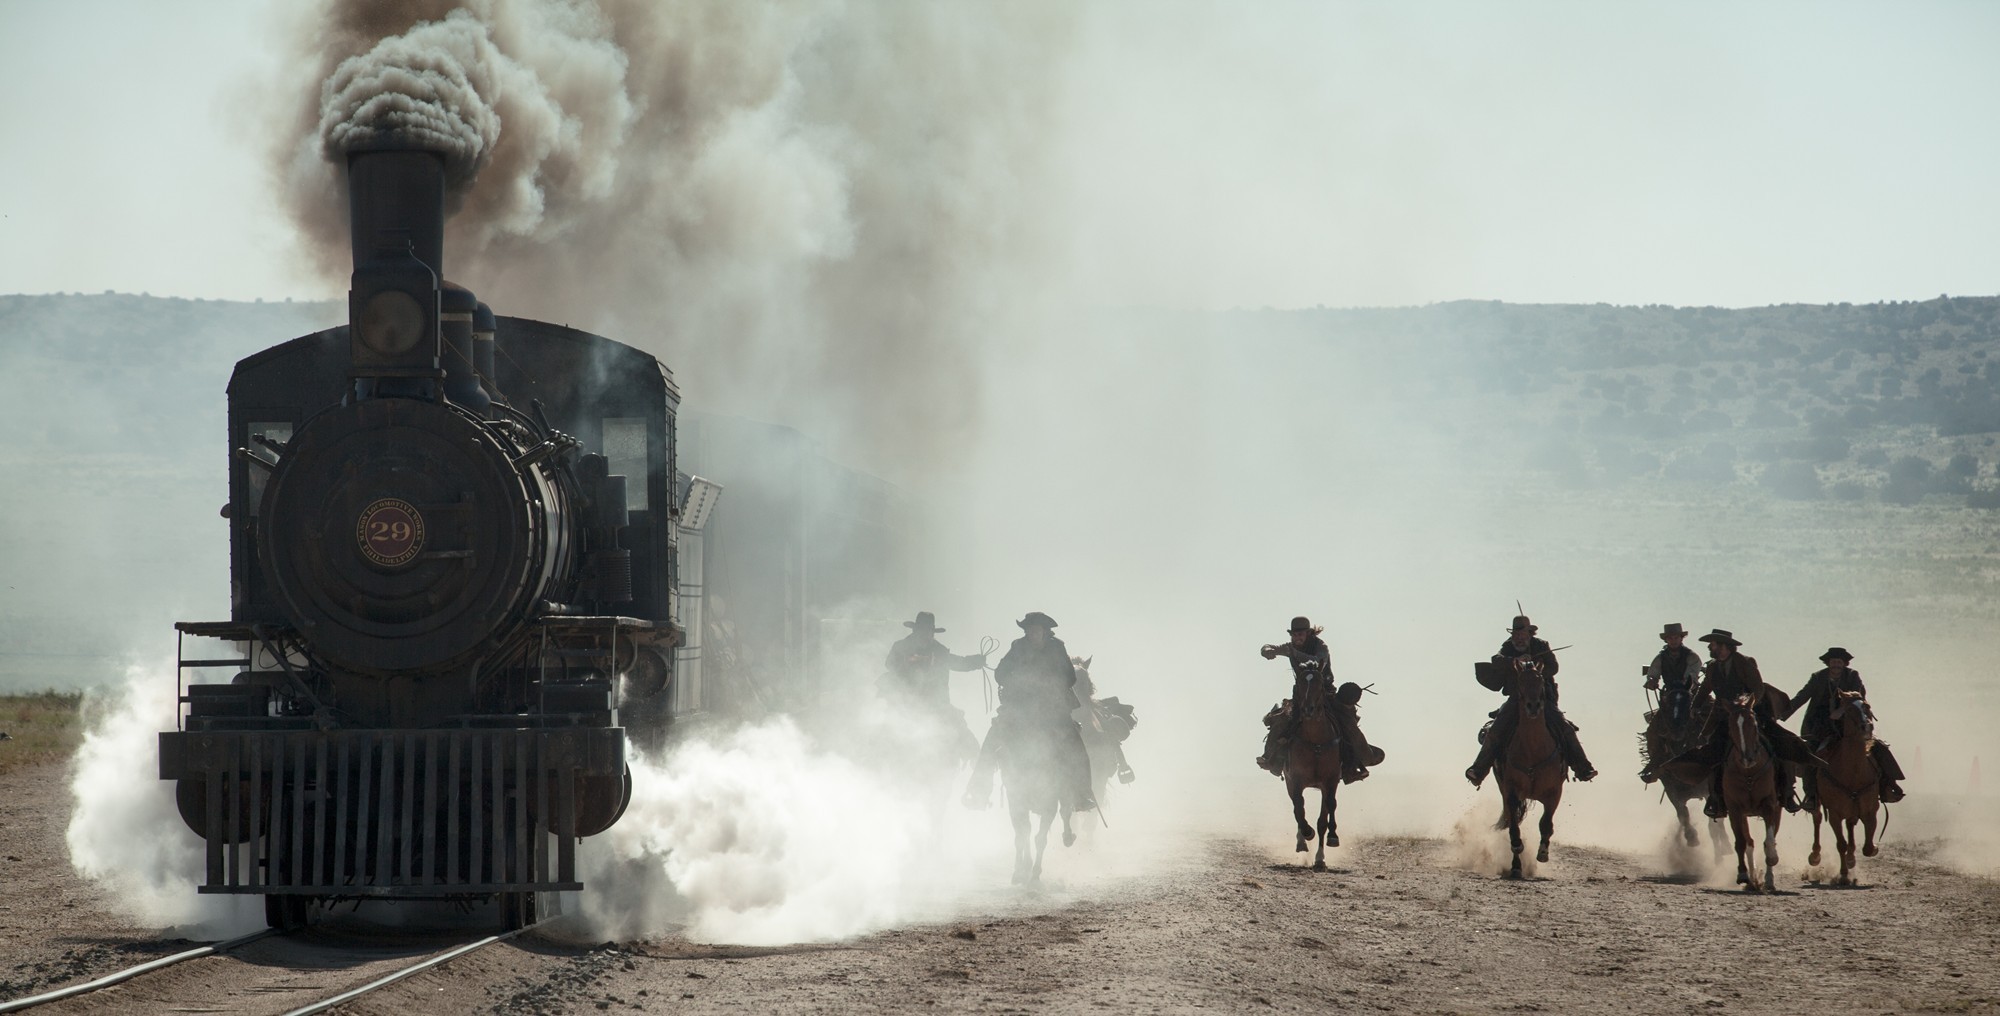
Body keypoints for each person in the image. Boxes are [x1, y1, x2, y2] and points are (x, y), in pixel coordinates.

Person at [1649, 629, 1819, 817]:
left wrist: (1747, 705)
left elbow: (1758, 688)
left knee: (1782, 741)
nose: (1709, 647)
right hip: (1724, 716)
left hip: (1751, 714)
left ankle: (1787, 793)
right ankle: (1715, 798)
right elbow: (1705, 689)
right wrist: (1694, 707)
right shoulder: (1713, 667)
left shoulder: (1745, 662)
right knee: (1711, 752)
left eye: (1712, 644)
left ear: (1723, 646)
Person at [962, 612, 1096, 812]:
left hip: (1053, 709)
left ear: (1045, 632)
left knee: (1076, 745)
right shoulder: (1017, 647)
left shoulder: (1057, 647)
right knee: (992, 740)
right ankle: (979, 792)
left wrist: (1050, 685)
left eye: (1036, 629)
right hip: (1020, 708)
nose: (1032, 633)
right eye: (1029, 629)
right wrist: (1019, 683)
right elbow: (1000, 674)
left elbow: (1070, 677)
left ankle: (1080, 795)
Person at [1466, 614, 1597, 787]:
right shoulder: (1507, 647)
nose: (1519, 638)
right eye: (1516, 635)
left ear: (1530, 634)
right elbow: (1496, 660)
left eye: (1522, 635)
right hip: (1517, 698)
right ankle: (1479, 770)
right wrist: (1514, 661)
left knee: (1565, 728)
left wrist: (1535, 668)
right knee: (1496, 729)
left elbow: (1553, 667)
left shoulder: (1541, 645)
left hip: (1543, 698)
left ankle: (1582, 767)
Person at [1255, 616, 1383, 783]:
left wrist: (1292, 652)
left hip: (1326, 695)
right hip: (1301, 697)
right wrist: (1267, 650)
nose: (1297, 638)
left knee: (1346, 723)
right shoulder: (1290, 647)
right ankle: (1272, 759)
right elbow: (1270, 647)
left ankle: (1353, 765)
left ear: (1308, 633)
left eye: (1300, 634)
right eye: (1294, 635)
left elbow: (1316, 661)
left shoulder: (1320, 646)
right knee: (1280, 720)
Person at [1787, 647, 1907, 806]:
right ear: (1828, 663)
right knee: (1810, 756)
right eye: (1833, 661)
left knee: (1879, 748)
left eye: (1839, 661)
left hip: (1849, 723)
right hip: (1819, 725)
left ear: (1844, 663)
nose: (1836, 664)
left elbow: (1858, 696)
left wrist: (1841, 710)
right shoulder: (1817, 677)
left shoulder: (1852, 676)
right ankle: (1811, 797)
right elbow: (1802, 695)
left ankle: (1889, 786)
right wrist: (1784, 712)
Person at [882, 611, 986, 708]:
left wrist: (975, 662)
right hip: (902, 698)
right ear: (915, 630)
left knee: (956, 724)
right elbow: (889, 664)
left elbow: (957, 663)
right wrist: (910, 662)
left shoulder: (940, 651)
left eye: (928, 631)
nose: (925, 635)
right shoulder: (901, 646)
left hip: (933, 702)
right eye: (921, 630)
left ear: (932, 633)